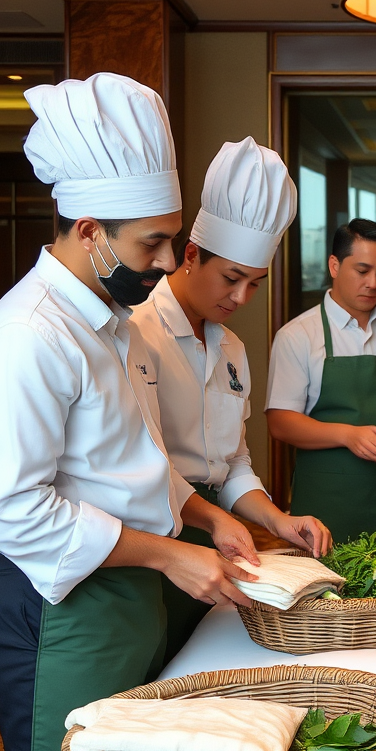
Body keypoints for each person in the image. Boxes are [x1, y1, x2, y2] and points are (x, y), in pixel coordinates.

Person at [0, 74, 260, 751]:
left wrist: (207, 516)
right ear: (89, 230)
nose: (163, 263)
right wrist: (168, 555)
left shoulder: (110, 323)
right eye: (149, 245)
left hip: (121, 590)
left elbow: (131, 462)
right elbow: (13, 510)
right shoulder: (28, 333)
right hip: (61, 606)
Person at [132, 138, 332, 662]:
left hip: (215, 541)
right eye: (231, 278)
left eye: (255, 284)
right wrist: (216, 519)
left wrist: (276, 520)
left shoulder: (232, 348)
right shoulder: (138, 331)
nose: (240, 298)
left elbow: (232, 462)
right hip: (153, 540)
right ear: (191, 255)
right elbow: (144, 460)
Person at [266, 219, 376, 541]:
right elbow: (280, 422)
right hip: (324, 505)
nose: (373, 283)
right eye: (362, 271)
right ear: (334, 265)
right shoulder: (298, 336)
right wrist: (348, 435)